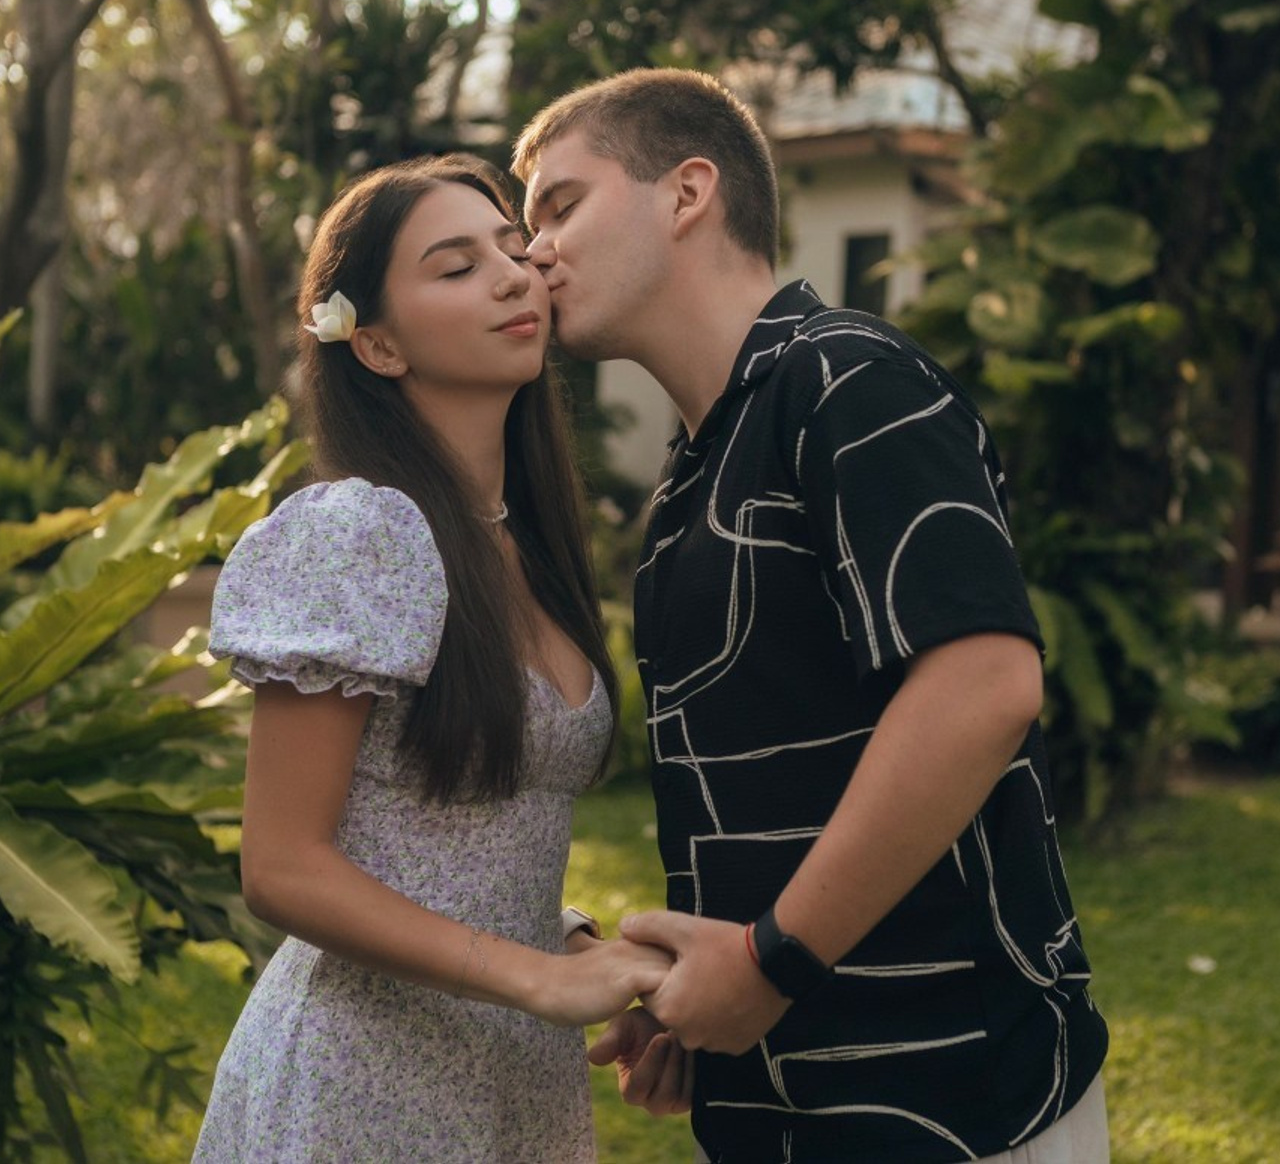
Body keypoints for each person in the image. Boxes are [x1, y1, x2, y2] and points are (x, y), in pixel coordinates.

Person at [513, 70, 1110, 1163]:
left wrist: (769, 962)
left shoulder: (846, 378)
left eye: (560, 206)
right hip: (784, 1112)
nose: (534, 251)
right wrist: (707, 990)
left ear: (687, 191)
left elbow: (983, 685)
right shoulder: (692, 477)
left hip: (954, 1102)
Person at [192, 154, 675, 1163]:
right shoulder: (360, 532)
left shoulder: (528, 543)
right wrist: (538, 978)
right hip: (362, 1080)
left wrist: (579, 950)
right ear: (374, 343)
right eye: (457, 267)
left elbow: (470, 839)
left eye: (512, 249)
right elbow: (281, 865)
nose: (512, 277)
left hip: (515, 1069)